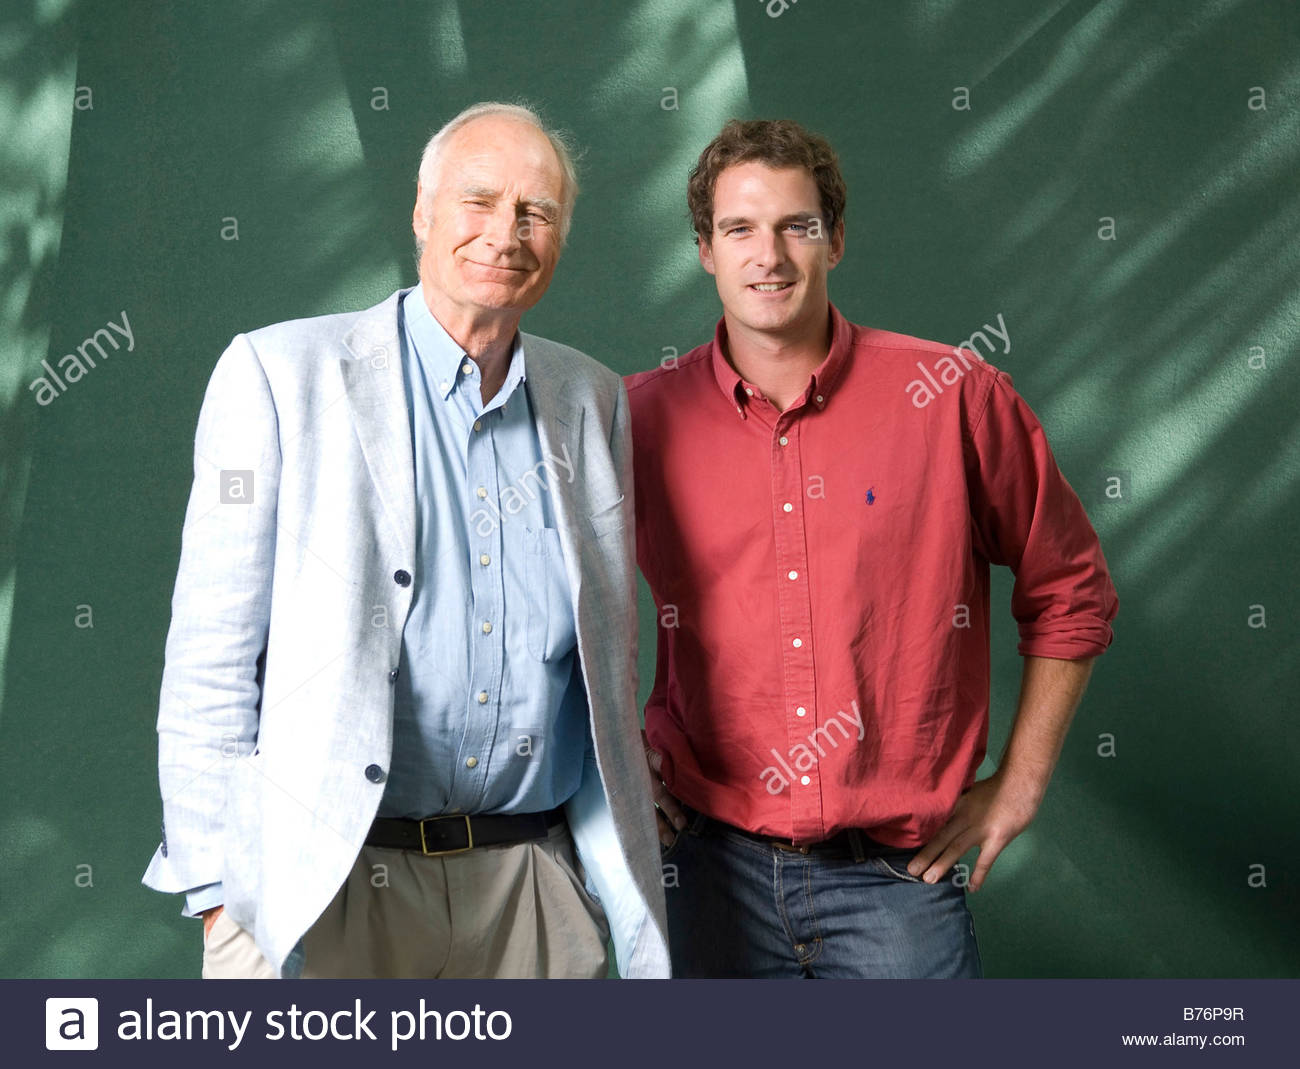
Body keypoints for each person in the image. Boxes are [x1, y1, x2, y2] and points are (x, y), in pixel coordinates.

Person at [142, 101, 668, 979]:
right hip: (331, 892)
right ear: (422, 213)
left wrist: (580, 879)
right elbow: (210, 657)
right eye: (479, 200)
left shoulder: (593, 400)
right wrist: (218, 897)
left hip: (533, 893)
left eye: (535, 212)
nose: (506, 232)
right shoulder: (278, 376)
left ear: (559, 240)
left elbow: (602, 667)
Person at [626, 118, 1118, 978]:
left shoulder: (954, 397)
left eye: (797, 226)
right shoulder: (631, 419)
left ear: (837, 239)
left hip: (898, 880)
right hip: (707, 870)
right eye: (740, 228)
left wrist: (1022, 778)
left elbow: (1070, 588)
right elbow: (536, 600)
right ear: (705, 249)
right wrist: (611, 753)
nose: (768, 254)